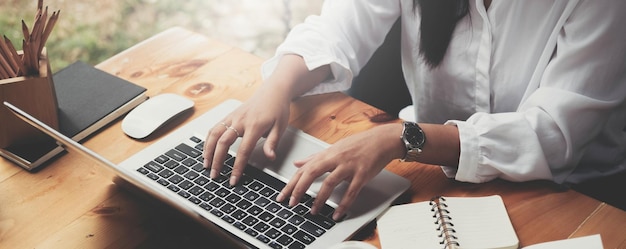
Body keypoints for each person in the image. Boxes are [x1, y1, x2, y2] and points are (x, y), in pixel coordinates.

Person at [203, 0, 626, 221]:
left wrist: (400, 137)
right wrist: (274, 89)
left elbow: (552, 134)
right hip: (431, 171)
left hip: (573, 192)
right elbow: (339, 25)